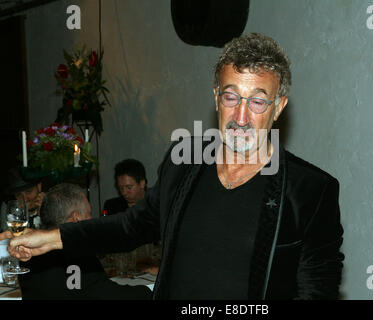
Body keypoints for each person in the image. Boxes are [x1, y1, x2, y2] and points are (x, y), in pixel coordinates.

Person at [3, 33, 344, 300]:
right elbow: (129, 227)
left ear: (278, 106)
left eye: (257, 101)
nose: (241, 116)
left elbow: (316, 292)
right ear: (216, 98)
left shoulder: (310, 190)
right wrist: (54, 238)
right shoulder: (185, 162)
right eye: (231, 97)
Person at [17, 183, 152, 300]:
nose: (92, 219)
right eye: (89, 214)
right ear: (77, 218)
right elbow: (111, 296)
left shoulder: (28, 254)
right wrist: (151, 291)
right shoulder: (77, 254)